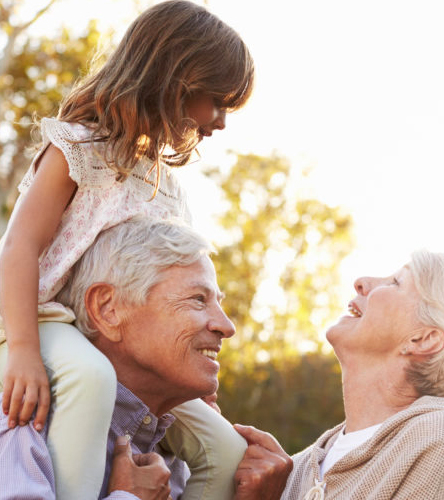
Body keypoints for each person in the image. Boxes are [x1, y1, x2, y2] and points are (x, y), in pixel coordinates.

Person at [0, 1, 254, 499]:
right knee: (91, 378)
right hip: (50, 323)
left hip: (112, 331)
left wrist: (195, 372)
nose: (221, 121)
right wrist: (24, 350)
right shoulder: (77, 148)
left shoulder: (165, 184)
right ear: (178, 81)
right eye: (217, 101)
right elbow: (18, 245)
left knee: (223, 446)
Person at [0, 217, 292, 499]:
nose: (227, 327)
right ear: (108, 309)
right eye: (198, 300)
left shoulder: (181, 462)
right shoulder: (19, 427)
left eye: (218, 302)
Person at [281, 250, 444, 499]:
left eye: (396, 282)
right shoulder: (295, 468)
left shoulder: (442, 440)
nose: (361, 282)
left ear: (423, 339)